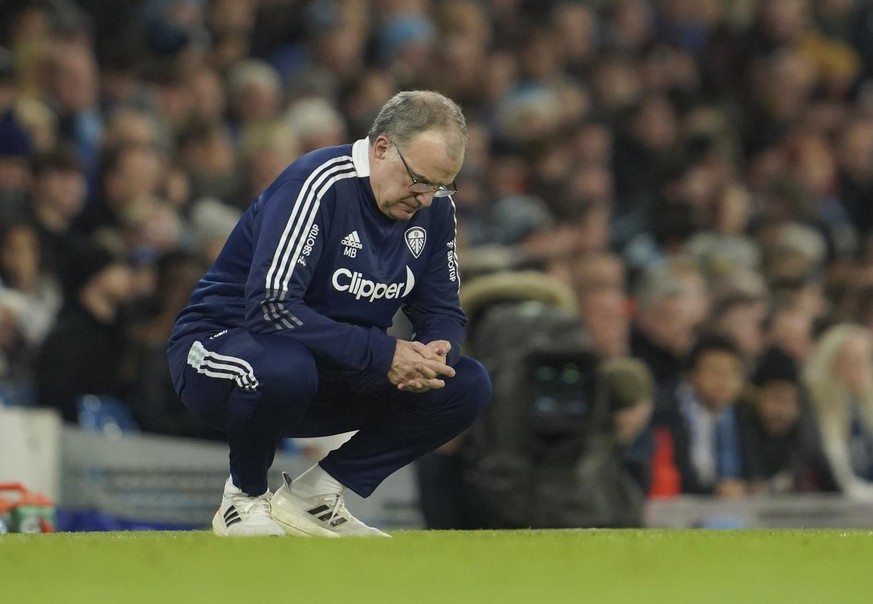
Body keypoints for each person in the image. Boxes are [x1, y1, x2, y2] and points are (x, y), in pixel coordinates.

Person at [167, 90, 492, 537]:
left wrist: (435, 350)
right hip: (222, 353)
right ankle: (242, 498)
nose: (425, 198)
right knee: (285, 365)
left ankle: (316, 496)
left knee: (465, 382)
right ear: (381, 148)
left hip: (329, 370)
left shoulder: (434, 211)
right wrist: (385, 354)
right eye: (419, 179)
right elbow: (271, 308)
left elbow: (441, 308)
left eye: (442, 185)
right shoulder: (317, 183)